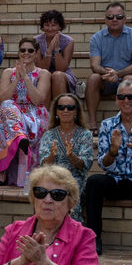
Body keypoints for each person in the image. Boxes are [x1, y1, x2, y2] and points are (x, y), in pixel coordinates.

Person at [83, 80, 132, 258]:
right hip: (116, 180)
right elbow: (103, 163)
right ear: (116, 100)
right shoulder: (107, 124)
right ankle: (93, 238)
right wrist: (113, 150)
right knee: (94, 181)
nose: (126, 100)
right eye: (122, 97)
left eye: (131, 96)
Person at [0, 38, 50, 186]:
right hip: (12, 113)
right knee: (7, 105)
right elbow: (3, 97)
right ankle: (19, 138)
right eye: (22, 50)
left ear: (36, 53)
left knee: (6, 116)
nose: (26, 53)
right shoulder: (8, 72)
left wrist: (25, 77)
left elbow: (37, 100)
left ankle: (18, 140)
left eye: (30, 50)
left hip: (34, 113)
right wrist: (17, 78)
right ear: (18, 52)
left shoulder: (43, 73)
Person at [86, 2, 132, 133]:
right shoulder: (97, 38)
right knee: (93, 78)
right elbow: (94, 65)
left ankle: (131, 123)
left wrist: (117, 74)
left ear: (125, 19)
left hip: (129, 77)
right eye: (110, 17)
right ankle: (92, 124)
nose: (114, 19)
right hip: (107, 79)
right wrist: (109, 74)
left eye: (118, 17)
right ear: (105, 19)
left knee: (129, 79)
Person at [39, 94, 93, 222]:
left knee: (69, 193)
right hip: (53, 178)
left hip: (75, 178)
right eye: (61, 107)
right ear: (56, 111)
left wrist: (71, 156)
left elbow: (84, 165)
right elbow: (44, 165)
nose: (65, 110)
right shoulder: (49, 135)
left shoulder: (85, 134)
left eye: (70, 107)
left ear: (76, 111)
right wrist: (52, 156)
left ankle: (73, 230)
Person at [33, 9, 76, 99]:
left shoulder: (68, 41)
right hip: (43, 74)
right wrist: (49, 50)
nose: (50, 28)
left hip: (63, 75)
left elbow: (62, 69)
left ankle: (60, 106)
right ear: (42, 26)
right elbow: (42, 68)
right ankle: (44, 108)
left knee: (57, 75)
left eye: (53, 25)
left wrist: (56, 48)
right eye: (47, 25)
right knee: (45, 75)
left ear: (59, 26)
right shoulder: (36, 41)